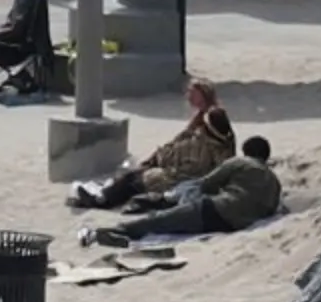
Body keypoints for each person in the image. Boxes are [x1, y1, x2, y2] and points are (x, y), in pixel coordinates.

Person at [79, 138, 282, 247]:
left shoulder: (240, 163)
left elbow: (207, 183)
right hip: (232, 224)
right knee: (170, 222)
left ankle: (112, 231)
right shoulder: (275, 183)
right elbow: (269, 210)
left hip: (215, 208)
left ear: (247, 152)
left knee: (159, 220)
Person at [69, 80, 236, 210]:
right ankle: (104, 195)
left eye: (193, 93)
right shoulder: (212, 123)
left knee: (135, 180)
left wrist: (158, 159)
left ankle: (102, 200)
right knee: (134, 176)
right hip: (189, 172)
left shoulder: (204, 133)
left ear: (203, 96)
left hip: (185, 176)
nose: (188, 96)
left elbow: (185, 156)